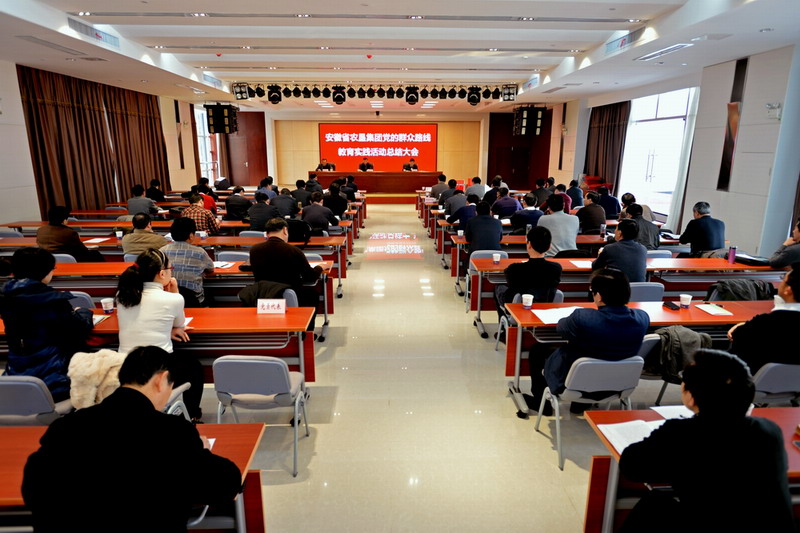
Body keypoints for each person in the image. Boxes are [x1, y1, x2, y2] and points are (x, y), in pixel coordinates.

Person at [21, 345, 242, 533]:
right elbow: (227, 484)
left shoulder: (66, 427)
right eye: (171, 386)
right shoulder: (172, 432)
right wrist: (202, 451)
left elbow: (32, 488)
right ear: (161, 380)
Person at [618, 349, 794, 533]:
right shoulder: (769, 430)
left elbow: (631, 467)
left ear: (691, 397)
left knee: (654, 503)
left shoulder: (680, 433)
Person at [526, 269, 649, 414]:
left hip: (575, 385)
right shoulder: (642, 318)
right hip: (619, 386)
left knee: (538, 350)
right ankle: (579, 406)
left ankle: (542, 403)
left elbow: (561, 328)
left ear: (599, 295)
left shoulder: (582, 318)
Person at [115, 248, 203, 420]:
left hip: (124, 364)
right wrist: (175, 292)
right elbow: (179, 324)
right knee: (194, 367)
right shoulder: (173, 299)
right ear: (162, 273)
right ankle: (192, 415)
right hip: (156, 367)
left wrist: (167, 329)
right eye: (171, 269)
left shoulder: (123, 295)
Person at [0, 247, 94, 402]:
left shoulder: (6, 296)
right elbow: (79, 329)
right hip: (55, 380)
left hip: (16, 371)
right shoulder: (53, 301)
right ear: (44, 271)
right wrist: (84, 313)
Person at [243, 218, 322, 330]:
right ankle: (306, 332)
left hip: (262, 295)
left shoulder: (254, 250)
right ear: (285, 230)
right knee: (312, 295)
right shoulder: (293, 250)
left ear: (267, 233)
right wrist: (319, 268)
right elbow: (310, 276)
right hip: (289, 294)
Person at [727, 264, 800, 373]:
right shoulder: (763, 323)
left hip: (755, 381)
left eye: (783, 279)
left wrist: (744, 327)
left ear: (788, 290)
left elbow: (738, 344)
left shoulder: (762, 325)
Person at [494, 226, 562, 323]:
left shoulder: (515, 269)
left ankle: (505, 325)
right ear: (549, 246)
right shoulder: (556, 268)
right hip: (545, 310)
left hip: (519, 310)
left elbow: (511, 283)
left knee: (499, 287)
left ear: (529, 244)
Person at [160, 218, 214, 307]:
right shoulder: (200, 252)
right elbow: (210, 269)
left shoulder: (162, 251)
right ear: (191, 235)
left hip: (168, 300)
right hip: (194, 301)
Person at [36, 206, 105, 262]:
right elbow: (83, 250)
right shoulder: (69, 232)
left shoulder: (40, 230)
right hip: (68, 259)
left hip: (46, 259)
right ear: (64, 220)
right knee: (95, 254)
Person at [464, 201, 502, 269]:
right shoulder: (498, 222)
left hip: (476, 254)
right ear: (490, 212)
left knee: (465, 261)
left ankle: (467, 274)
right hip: (496, 255)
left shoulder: (471, 221)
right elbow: (500, 238)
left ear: (476, 212)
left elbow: (468, 239)